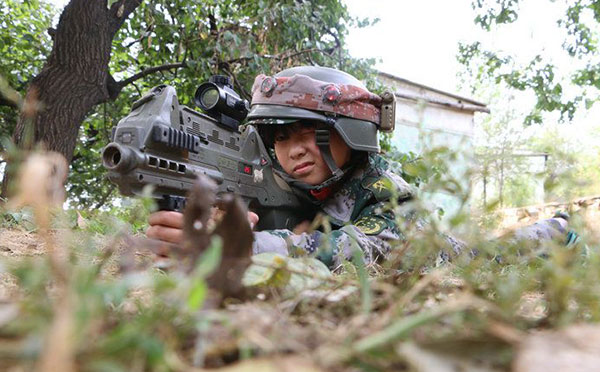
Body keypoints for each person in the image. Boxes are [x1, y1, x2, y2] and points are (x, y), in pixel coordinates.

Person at [146, 65, 571, 269]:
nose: (293, 150)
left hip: (439, 251)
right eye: (280, 137)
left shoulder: (389, 190)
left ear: (350, 133)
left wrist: (245, 246)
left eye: (309, 132)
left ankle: (557, 229)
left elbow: (363, 250)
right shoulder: (277, 181)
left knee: (493, 252)